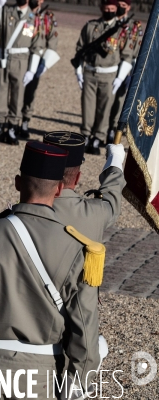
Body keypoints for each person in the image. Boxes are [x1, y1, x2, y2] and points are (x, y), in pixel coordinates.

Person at [0, 141, 105, 398]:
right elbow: (84, 328)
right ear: (59, 189)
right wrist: (77, 386)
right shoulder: (76, 248)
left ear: (18, 182)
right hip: (43, 374)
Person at [75, 0, 134, 155]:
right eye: (106, 8)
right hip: (90, 71)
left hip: (110, 74)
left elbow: (127, 56)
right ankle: (86, 135)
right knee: (87, 106)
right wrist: (79, 72)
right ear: (101, 8)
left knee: (104, 108)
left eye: (112, 9)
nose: (109, 11)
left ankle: (98, 137)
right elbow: (80, 49)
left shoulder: (122, 30)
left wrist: (121, 77)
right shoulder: (90, 26)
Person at [43, 131, 126, 242]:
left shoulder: (19, 215)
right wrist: (115, 160)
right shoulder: (97, 213)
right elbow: (111, 200)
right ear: (77, 177)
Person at [0, 0, 43, 145]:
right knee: (1, 91)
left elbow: (37, 46)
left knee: (18, 93)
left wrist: (32, 70)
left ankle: (12, 127)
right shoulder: (6, 11)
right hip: (3, 57)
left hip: (21, 60)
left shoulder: (34, 18)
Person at [19, 0, 60, 138]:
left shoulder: (48, 17)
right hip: (19, 56)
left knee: (30, 91)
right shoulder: (21, 12)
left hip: (37, 59)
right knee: (14, 89)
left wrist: (44, 64)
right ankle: (11, 121)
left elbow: (53, 42)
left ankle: (25, 121)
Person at [107, 0, 143, 144]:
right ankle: (100, 129)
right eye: (119, 5)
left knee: (119, 102)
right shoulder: (111, 23)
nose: (121, 8)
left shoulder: (134, 27)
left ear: (128, 7)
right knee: (104, 101)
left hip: (125, 68)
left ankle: (112, 129)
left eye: (124, 6)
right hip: (110, 66)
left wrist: (130, 74)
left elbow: (136, 52)